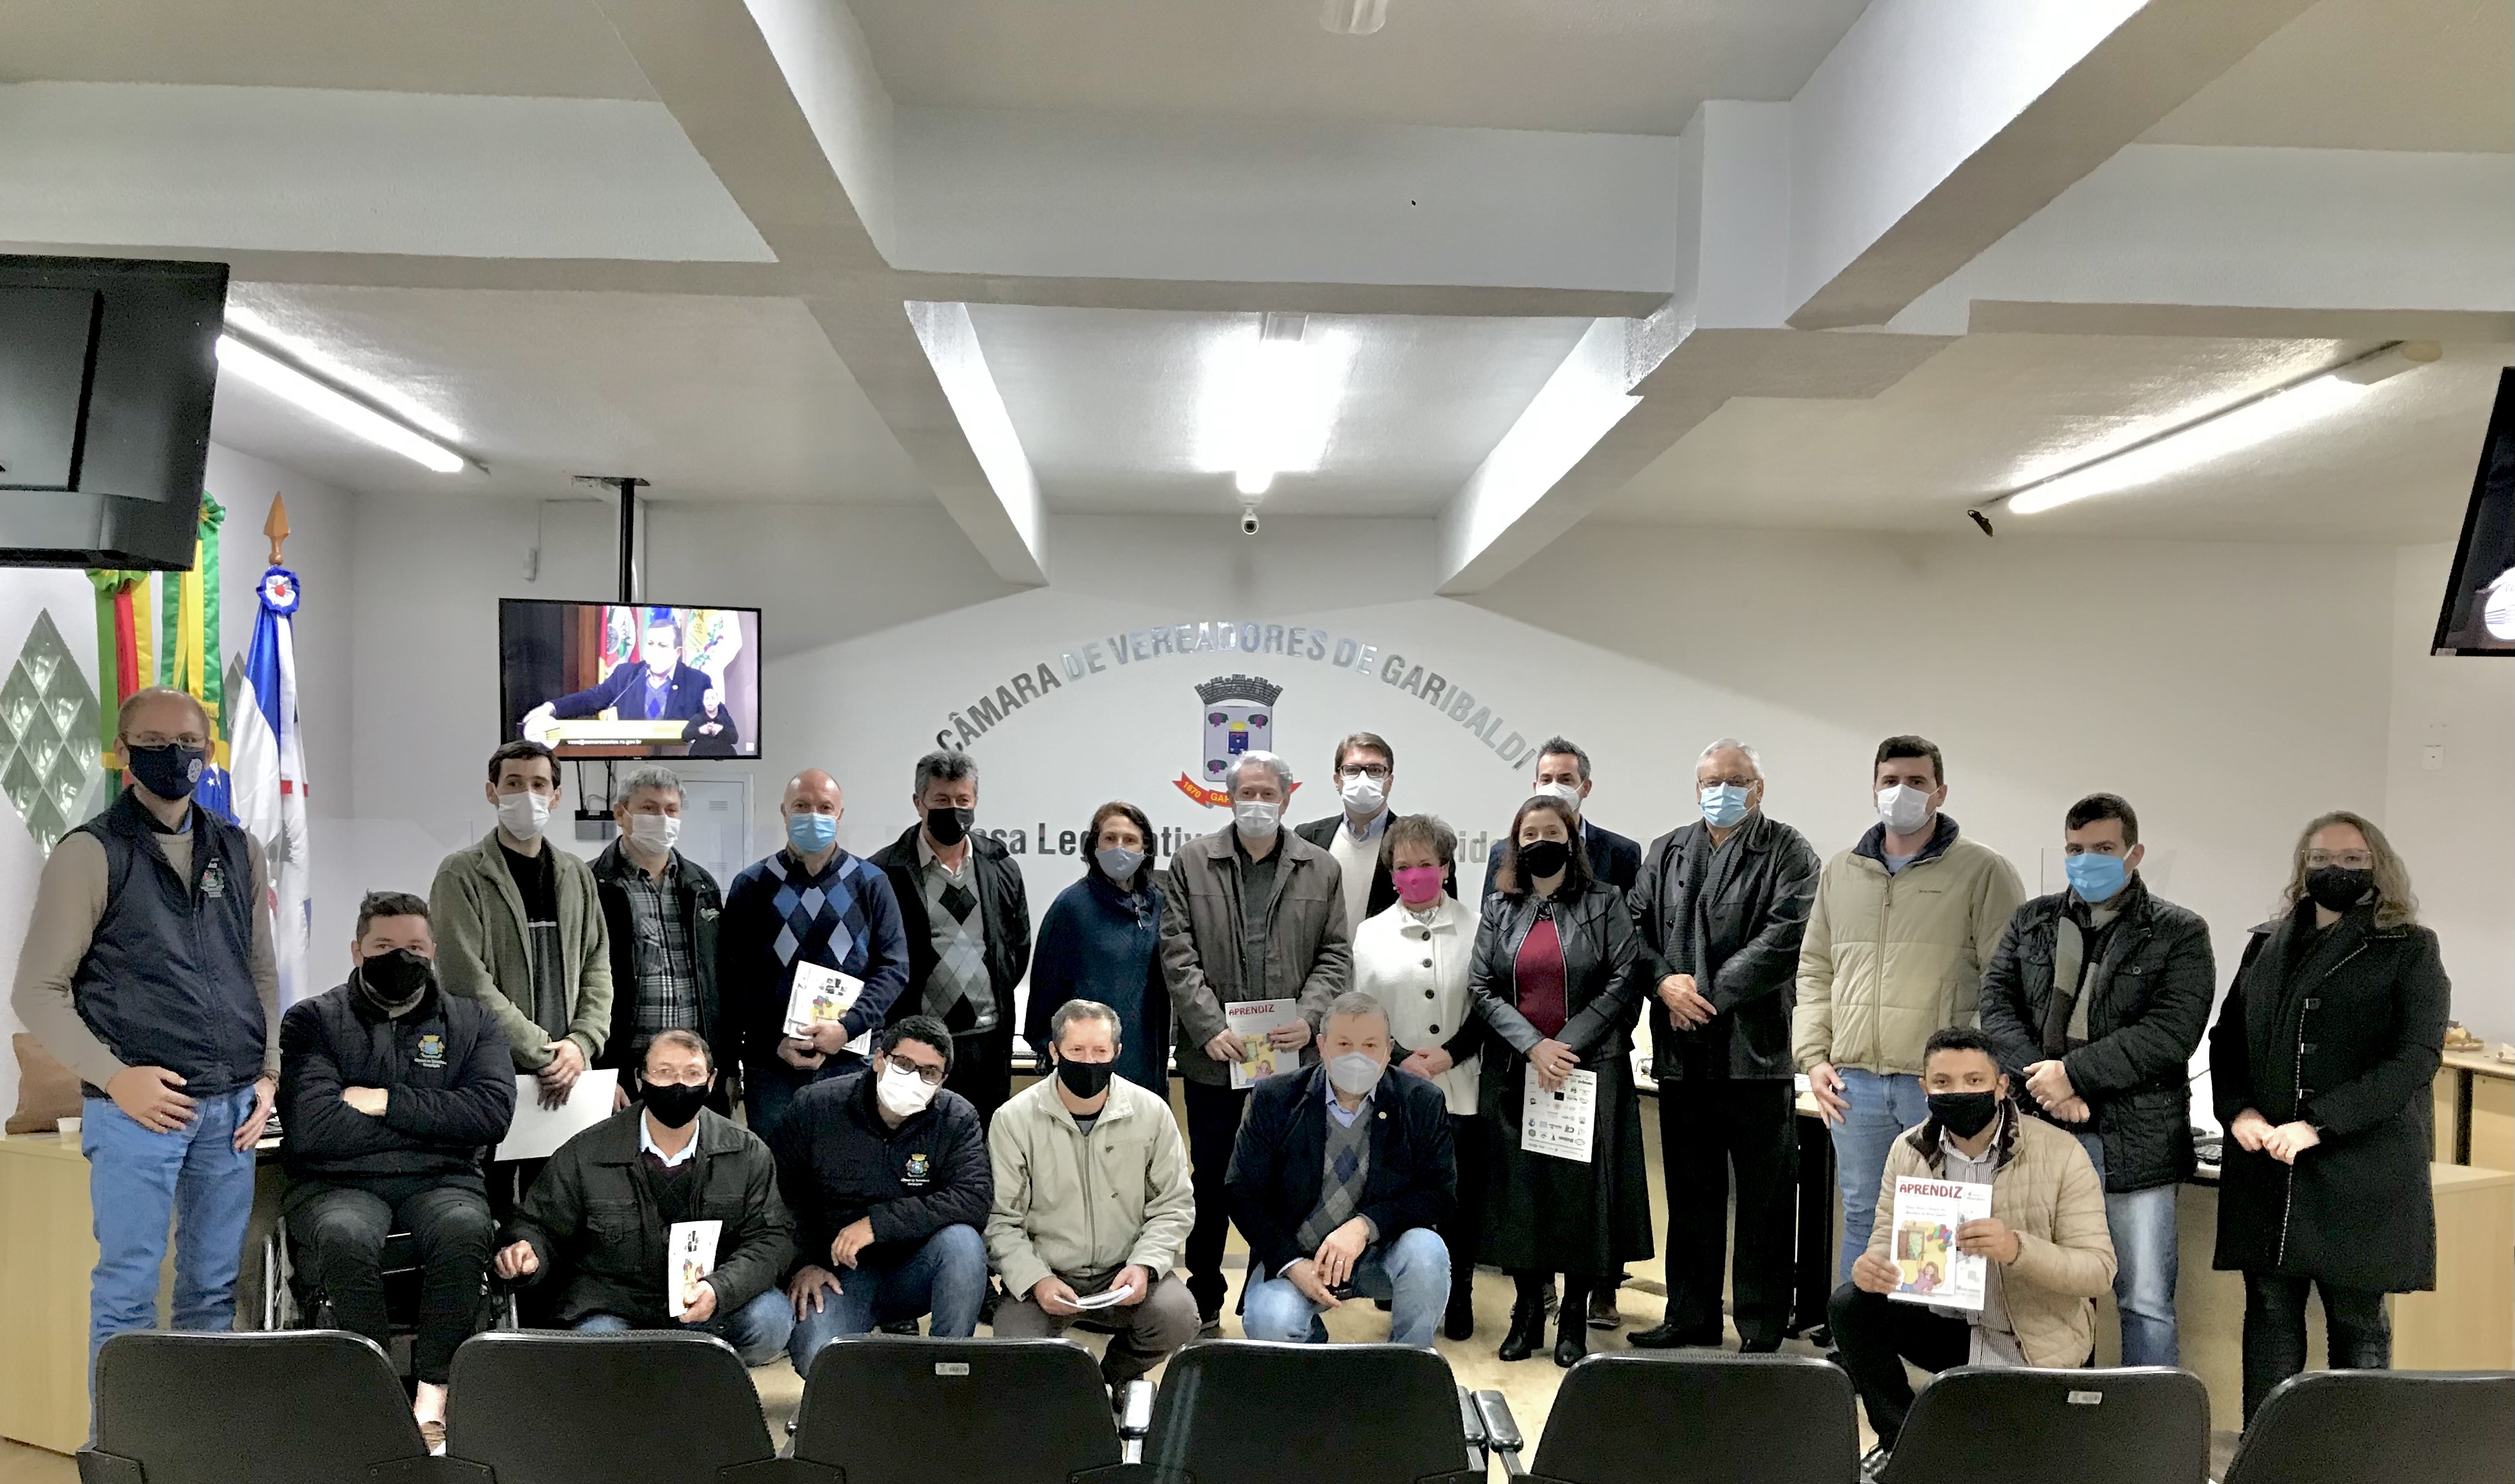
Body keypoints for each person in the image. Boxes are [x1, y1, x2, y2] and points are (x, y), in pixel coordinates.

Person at [11, 687, 280, 1388]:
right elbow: (35, 992)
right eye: (155, 741)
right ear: (124, 754)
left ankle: (194, 1452)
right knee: (127, 1296)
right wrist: (114, 1076)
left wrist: (269, 1075)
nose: (176, 754)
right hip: (138, 1111)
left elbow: (261, 973)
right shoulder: (91, 853)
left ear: (210, 751)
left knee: (212, 1295)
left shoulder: (239, 849)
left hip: (231, 1112)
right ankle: (122, 1456)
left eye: (189, 740)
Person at [2209, 811, 2448, 1426]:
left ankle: (2357, 1455)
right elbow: (2227, 1039)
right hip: (2266, 1161)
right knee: (2266, 1313)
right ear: (2301, 866)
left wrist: (2318, 1124)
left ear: (2378, 867)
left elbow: (2415, 1057)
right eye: (2319, 858)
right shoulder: (2265, 942)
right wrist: (2238, 1111)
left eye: (2350, 860)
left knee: (2355, 1320)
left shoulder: (2409, 946)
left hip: (2359, 1164)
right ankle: (2268, 1453)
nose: (2332, 870)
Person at [1978, 792, 2213, 1369]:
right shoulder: (2031, 921)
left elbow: (2169, 1032)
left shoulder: (2178, 932)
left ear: (2133, 853)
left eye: (2103, 849)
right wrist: (2045, 1083)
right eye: (2075, 850)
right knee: (2042, 1289)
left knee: (2145, 1301)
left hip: (2135, 1139)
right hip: (2039, 1130)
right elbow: (1995, 1006)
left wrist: (2073, 1075)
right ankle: (2059, 1426)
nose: (2087, 861)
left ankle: (2147, 1436)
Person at [278, 893, 513, 1446]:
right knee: (344, 1234)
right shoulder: (312, 1019)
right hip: (336, 1185)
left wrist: (385, 1101)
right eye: (384, 946)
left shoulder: (473, 1020)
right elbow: (313, 1128)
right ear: (357, 950)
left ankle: (434, 1393)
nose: (400, 957)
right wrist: (436, 1125)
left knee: (465, 1229)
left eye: (413, 946)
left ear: (432, 951)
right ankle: (373, 1394)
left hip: (444, 1184)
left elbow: (490, 1114)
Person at [1829, 1028, 2116, 1478]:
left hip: (2032, 1340)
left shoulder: (2061, 1153)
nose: (1958, 1092)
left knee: (2005, 1465)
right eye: (1942, 1083)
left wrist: (2017, 1248)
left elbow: (2098, 1272)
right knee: (1849, 1303)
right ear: (1924, 1088)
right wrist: (1874, 1268)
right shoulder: (1907, 1150)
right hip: (1952, 1330)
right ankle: (1900, 1442)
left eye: (1974, 1081)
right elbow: (1885, 1240)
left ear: (2001, 1086)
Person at [1796, 735, 2024, 1281]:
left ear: (1939, 792)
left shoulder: (1982, 870)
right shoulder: (1841, 870)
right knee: (1862, 1215)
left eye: (1916, 782)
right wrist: (1812, 1056)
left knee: (1939, 1220)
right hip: (1855, 1082)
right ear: (1873, 790)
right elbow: (1815, 969)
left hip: (1939, 1085)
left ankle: (1931, 1347)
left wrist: (1980, 1071)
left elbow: (2006, 978)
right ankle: (1859, 1341)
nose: (1902, 792)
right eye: (1890, 781)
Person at [1626, 739, 1821, 1354]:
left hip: (1756, 1058)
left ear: (1758, 788)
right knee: (1690, 1198)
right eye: (1712, 780)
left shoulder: (1790, 851)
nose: (1722, 790)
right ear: (1696, 787)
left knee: (1764, 1203)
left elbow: (1784, 938)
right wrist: (1662, 983)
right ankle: (1690, 1316)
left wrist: (1699, 996)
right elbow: (1633, 929)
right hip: (1682, 1059)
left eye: (1736, 780)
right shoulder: (1666, 850)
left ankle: (1760, 1327)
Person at [1156, 750, 1353, 1332]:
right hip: (1214, 1059)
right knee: (1212, 1180)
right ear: (1228, 796)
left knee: (1286, 1181)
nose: (1258, 804)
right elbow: (1176, 952)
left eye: (1269, 794)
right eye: (1247, 793)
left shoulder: (1321, 869)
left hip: (1289, 1064)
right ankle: (1205, 1295)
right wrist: (1208, 1026)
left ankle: (1278, 1288)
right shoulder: (1191, 863)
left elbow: (1335, 954)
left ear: (1288, 797)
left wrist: (1313, 1017)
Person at [1470, 795, 1651, 1367]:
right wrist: (1532, 1046)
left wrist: (1564, 1046)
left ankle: (1573, 1317)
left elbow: (1624, 978)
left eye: (1551, 832)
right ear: (1514, 845)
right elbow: (1480, 987)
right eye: (1529, 834)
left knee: (1581, 1202)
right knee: (1521, 1198)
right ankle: (1526, 1313)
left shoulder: (1605, 902)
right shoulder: (1500, 906)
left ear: (1572, 841)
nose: (1539, 842)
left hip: (1588, 1072)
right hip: (1516, 1074)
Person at [491, 1030, 796, 1364]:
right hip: (617, 1304)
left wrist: (721, 1289)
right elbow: (541, 1226)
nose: (679, 1084)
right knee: (595, 1342)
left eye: (692, 1074)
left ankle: (705, 1374)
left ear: (710, 1083)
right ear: (640, 1080)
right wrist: (528, 1253)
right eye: (664, 1072)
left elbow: (771, 1239)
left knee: (771, 1321)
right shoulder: (587, 1151)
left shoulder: (747, 1151)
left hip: (710, 1298)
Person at [987, 999, 1198, 1386]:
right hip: (1049, 1274)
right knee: (1014, 1342)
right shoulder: (1013, 1120)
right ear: (1054, 1052)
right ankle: (1069, 1394)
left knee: (1179, 1317)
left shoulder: (1151, 1112)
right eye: (1076, 1051)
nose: (1089, 1063)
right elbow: (1000, 1220)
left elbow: (1175, 1205)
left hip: (1125, 1271)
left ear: (1117, 1052)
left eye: (1100, 1052)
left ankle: (1114, 1378)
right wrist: (1035, 1279)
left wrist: (1146, 1264)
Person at [1228, 991, 1455, 1347]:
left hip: (1381, 1254)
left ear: (1388, 1049)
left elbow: (1440, 1194)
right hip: (1298, 1256)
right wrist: (1290, 1263)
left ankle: (1409, 1360)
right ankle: (1316, 1354)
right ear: (1322, 1045)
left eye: (1370, 1045)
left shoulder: (1421, 1101)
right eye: (1344, 1043)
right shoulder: (1274, 1099)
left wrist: (1366, 1226)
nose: (1357, 1056)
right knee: (1270, 1322)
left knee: (1428, 1252)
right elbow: (1241, 1193)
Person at [777, 1016, 992, 1365]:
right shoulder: (815, 1107)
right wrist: (803, 1265)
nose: (914, 1078)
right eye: (903, 1064)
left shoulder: (957, 1117)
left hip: (916, 1268)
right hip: (839, 1274)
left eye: (929, 1072)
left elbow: (973, 1199)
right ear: (879, 1060)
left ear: (942, 1081)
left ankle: (946, 1372)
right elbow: (781, 1197)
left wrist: (877, 1225)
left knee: (964, 1244)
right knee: (816, 1357)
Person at [719, 769, 909, 1138]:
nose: (814, 816)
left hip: (850, 1061)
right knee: (777, 1176)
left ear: (839, 815)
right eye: (802, 806)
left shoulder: (871, 883)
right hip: (772, 1065)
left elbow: (893, 968)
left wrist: (846, 1027)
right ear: (784, 812)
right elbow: (735, 977)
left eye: (825, 808)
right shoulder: (751, 885)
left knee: (846, 1171)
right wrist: (774, 1041)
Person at [1350, 813, 1482, 1340]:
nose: (1414, 875)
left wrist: (1448, 1055)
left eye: (1425, 864)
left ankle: (1462, 1293)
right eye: (1403, 867)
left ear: (1446, 868)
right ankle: (1401, 1287)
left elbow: (1489, 1006)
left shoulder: (1479, 927)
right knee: (1399, 1192)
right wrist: (1401, 1056)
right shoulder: (1368, 934)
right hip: (1393, 1085)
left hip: (1463, 1081)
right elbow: (1361, 1009)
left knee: (1460, 1198)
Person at [430, 740, 611, 1109]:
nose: (527, 794)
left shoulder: (577, 874)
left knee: (563, 1169)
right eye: (513, 783)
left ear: (556, 795)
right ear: (491, 792)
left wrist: (582, 1043)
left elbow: (598, 965)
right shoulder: (461, 874)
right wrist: (546, 1054)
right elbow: (465, 981)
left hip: (570, 1074)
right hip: (492, 1073)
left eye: (539, 784)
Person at [869, 750, 1032, 1127]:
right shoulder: (884, 871)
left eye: (963, 801)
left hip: (987, 1039)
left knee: (982, 1138)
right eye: (941, 801)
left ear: (975, 803)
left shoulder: (1000, 866)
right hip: (915, 1043)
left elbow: (1018, 944)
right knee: (913, 1135)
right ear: (919, 803)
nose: (953, 810)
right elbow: (876, 956)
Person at [592, 766, 728, 1111]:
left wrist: (725, 1065)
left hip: (696, 1065)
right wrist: (602, 1073)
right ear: (621, 814)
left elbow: (719, 978)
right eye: (649, 809)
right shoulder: (592, 884)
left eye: (671, 810)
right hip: (627, 1067)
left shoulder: (702, 885)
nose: (662, 818)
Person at [1027, 802, 1170, 1097]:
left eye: (1130, 840)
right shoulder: (1070, 907)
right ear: (1093, 847)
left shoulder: (1159, 904)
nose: (1120, 847)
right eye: (1110, 839)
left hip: (1147, 1062)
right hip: (1087, 1068)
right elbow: (1044, 992)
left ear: (1146, 849)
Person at [1295, 731, 1451, 927]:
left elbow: (1444, 914)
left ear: (1390, 781)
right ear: (1337, 780)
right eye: (1352, 770)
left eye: (1375, 770)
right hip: (1324, 958)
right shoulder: (1307, 838)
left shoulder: (1422, 842)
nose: (1363, 778)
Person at [1479, 736, 1641, 900]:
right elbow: (1490, 918)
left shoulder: (1621, 853)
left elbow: (1628, 921)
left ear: (1586, 788)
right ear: (1536, 787)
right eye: (1546, 780)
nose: (1554, 787)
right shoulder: (1501, 852)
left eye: (1565, 780)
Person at [525, 607, 713, 728]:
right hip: (631, 759)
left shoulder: (697, 681)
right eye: (650, 643)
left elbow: (714, 722)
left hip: (677, 761)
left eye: (662, 646)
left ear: (677, 652)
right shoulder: (627, 675)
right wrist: (552, 708)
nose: (654, 651)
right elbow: (593, 699)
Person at [680, 686, 741, 756]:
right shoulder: (697, 718)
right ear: (703, 702)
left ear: (718, 701)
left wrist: (722, 729)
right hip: (701, 756)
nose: (710, 701)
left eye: (713, 698)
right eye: (707, 698)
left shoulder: (725, 719)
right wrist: (699, 731)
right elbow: (685, 737)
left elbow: (734, 739)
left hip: (723, 756)